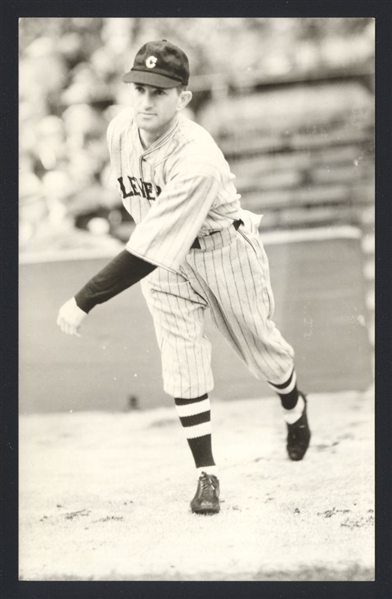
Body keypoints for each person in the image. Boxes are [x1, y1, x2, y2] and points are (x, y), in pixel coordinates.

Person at [57, 40, 311, 515]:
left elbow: (148, 248)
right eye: (140, 89)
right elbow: (144, 218)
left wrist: (85, 298)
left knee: (265, 353)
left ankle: (294, 406)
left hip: (223, 251)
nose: (146, 101)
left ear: (184, 98)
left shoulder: (198, 159)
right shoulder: (119, 132)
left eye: (160, 92)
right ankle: (206, 474)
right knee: (182, 360)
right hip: (165, 261)